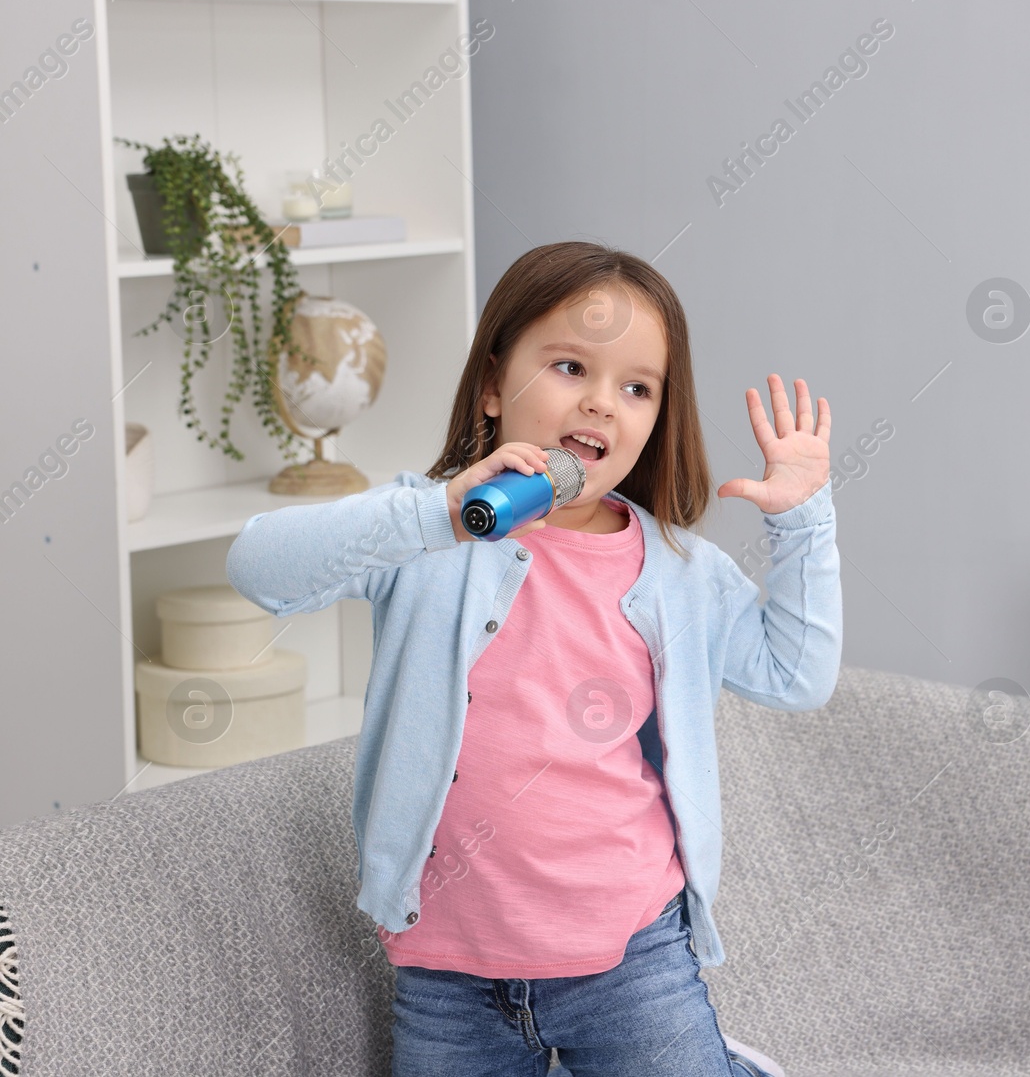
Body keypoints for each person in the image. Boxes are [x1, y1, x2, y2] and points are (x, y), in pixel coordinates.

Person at [226, 241, 842, 1076]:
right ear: (491, 385)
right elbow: (258, 570)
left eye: (636, 387)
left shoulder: (680, 571)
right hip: (447, 970)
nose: (601, 403)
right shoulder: (432, 531)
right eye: (567, 366)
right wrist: (432, 512)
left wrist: (803, 523)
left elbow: (796, 675)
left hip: (631, 955)